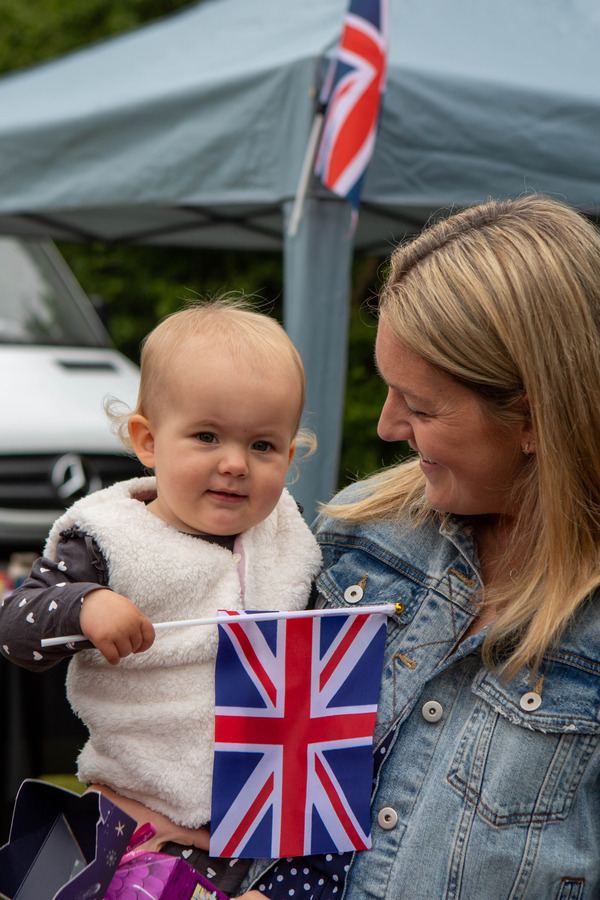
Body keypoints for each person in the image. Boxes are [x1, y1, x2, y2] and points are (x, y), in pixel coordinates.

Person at [237, 195, 600, 900]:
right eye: (389, 389)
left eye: (422, 406)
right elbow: (278, 797)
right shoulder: (359, 534)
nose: (386, 425)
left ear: (535, 417)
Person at [0, 298, 322, 897]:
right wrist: (84, 605)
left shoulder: (290, 538)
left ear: (291, 454)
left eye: (263, 446)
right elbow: (15, 626)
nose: (235, 464)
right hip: (134, 828)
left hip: (261, 832)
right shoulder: (109, 541)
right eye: (207, 436)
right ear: (147, 440)